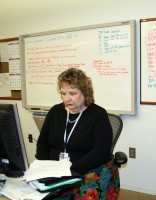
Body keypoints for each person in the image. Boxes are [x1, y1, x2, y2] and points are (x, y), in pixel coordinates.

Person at [35, 68, 119, 199]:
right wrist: (47, 167)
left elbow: (100, 151)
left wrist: (70, 171)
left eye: (72, 93)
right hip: (56, 169)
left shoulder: (98, 115)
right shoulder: (55, 111)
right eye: (63, 93)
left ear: (85, 92)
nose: (67, 98)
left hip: (89, 169)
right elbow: (42, 142)